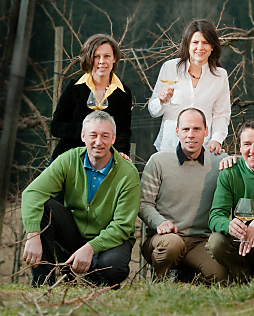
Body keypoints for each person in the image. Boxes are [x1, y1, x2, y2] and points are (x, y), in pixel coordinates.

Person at [22, 111, 141, 287]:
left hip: (110, 240)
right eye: (93, 135)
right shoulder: (69, 159)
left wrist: (90, 248)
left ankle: (94, 276)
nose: (98, 142)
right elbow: (32, 193)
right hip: (75, 233)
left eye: (105, 136)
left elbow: (123, 226)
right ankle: (42, 283)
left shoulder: (128, 173)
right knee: (44, 206)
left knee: (114, 269)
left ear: (113, 139)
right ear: (83, 136)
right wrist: (32, 234)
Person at [139, 108, 229, 283]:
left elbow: (248, 162)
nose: (191, 135)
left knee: (221, 278)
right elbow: (143, 204)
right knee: (173, 245)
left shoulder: (219, 161)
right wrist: (159, 223)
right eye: (186, 129)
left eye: (197, 129)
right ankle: (160, 283)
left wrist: (234, 160)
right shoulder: (158, 161)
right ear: (177, 131)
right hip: (164, 239)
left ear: (206, 131)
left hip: (200, 241)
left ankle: (187, 278)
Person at [207, 119, 254, 281]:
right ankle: (243, 278)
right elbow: (215, 216)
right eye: (247, 144)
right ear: (239, 147)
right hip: (241, 243)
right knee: (216, 242)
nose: (253, 150)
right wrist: (229, 225)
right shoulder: (229, 171)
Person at [148, 19, 231, 154]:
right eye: (195, 42)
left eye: (205, 43)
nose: (200, 47)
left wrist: (217, 139)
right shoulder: (170, 68)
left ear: (213, 46)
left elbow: (222, 114)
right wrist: (162, 101)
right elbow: (153, 110)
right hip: (169, 146)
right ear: (187, 45)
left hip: (203, 148)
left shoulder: (220, 75)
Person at [51, 34, 132, 160]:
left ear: (114, 58)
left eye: (107, 56)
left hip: (103, 159)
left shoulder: (123, 93)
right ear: (89, 59)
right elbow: (56, 127)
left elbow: (123, 130)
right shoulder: (74, 87)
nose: (101, 61)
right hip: (69, 157)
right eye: (96, 56)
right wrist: (86, 130)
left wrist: (121, 151)